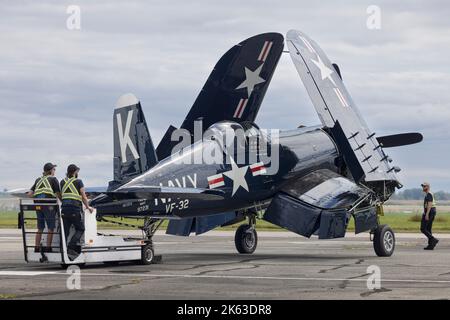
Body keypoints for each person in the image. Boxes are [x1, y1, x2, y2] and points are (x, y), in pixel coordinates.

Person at [60, 164, 93, 260]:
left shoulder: (62, 182)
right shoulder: (79, 181)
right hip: (74, 209)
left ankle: (63, 248)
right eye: (77, 172)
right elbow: (83, 196)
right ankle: (71, 246)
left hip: (64, 209)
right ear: (75, 172)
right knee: (80, 229)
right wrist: (88, 207)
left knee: (65, 231)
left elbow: (62, 195)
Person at [27, 162, 61, 252]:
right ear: (50, 171)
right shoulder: (53, 179)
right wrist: (62, 201)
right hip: (49, 205)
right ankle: (48, 248)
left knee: (40, 228)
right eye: (54, 169)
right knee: (50, 228)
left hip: (38, 205)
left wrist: (38, 199)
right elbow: (58, 193)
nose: (55, 171)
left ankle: (36, 248)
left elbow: (30, 194)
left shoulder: (38, 179)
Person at [421, 182, 439, 250]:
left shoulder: (429, 194)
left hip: (430, 211)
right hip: (432, 211)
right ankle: (431, 245)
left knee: (423, 228)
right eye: (422, 186)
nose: (423, 187)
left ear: (428, 187)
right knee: (428, 229)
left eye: (424, 186)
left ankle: (433, 239)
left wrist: (427, 214)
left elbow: (430, 204)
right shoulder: (428, 194)